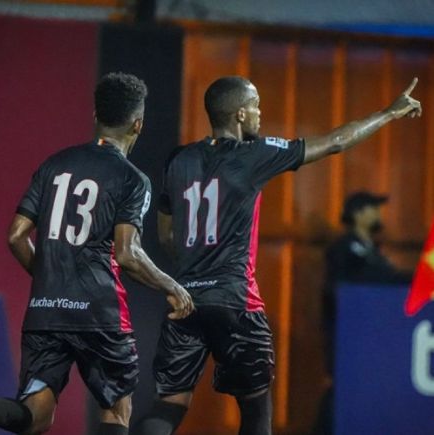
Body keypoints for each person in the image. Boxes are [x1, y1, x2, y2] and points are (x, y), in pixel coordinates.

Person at [132, 76, 422, 435]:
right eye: (255, 105)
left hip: (185, 300)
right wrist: (389, 113)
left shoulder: (179, 159)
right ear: (240, 115)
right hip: (237, 302)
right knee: (256, 413)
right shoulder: (254, 154)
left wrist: (194, 272)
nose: (260, 112)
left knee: (168, 406)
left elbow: (166, 235)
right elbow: (335, 142)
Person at [0, 72, 193, 435]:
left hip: (46, 310)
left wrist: (51, 279)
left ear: (95, 115)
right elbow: (127, 253)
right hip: (100, 314)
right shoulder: (133, 179)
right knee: (116, 410)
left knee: (35, 417)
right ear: (138, 124)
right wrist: (172, 286)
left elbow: (16, 236)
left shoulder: (53, 165)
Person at [311, 191, 413, 435]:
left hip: (372, 335)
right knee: (342, 385)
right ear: (357, 214)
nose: (378, 214)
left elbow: (389, 279)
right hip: (349, 333)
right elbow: (346, 284)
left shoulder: (374, 251)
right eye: (373, 208)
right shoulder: (343, 247)